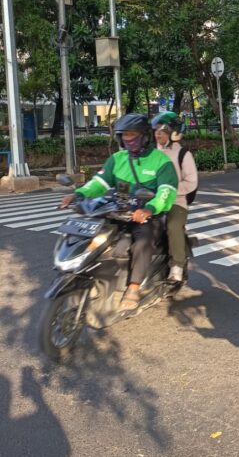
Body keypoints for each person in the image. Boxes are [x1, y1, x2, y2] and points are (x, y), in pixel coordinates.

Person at [60, 113, 178, 310]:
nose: (129, 139)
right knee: (96, 235)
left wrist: (149, 209)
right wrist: (78, 194)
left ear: (146, 136)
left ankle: (133, 287)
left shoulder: (161, 161)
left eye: (133, 135)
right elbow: (99, 183)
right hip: (118, 209)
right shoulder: (116, 159)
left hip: (147, 215)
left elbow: (167, 192)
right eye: (124, 135)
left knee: (143, 240)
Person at [152, 112, 199, 282]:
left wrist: (169, 190)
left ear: (174, 133)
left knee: (173, 226)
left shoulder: (183, 154)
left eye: (163, 131)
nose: (158, 135)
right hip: (151, 202)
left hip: (176, 203)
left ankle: (177, 265)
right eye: (156, 131)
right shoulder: (151, 154)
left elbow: (191, 182)